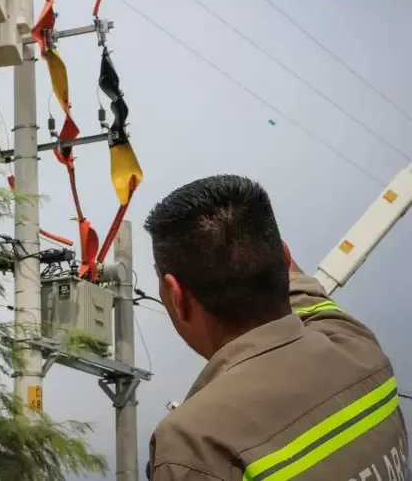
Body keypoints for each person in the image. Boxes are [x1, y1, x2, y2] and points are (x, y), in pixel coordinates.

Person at [143, 174, 407, 481]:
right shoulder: (356, 343)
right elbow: (304, 290)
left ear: (177, 296)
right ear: (284, 257)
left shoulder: (194, 445)